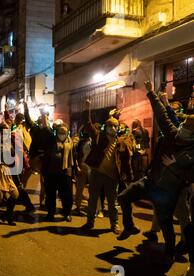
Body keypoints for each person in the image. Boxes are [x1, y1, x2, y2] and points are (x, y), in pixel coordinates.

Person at [117, 81, 194, 261]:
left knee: (166, 222)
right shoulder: (173, 133)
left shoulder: (191, 151)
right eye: (183, 126)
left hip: (169, 192)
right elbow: (163, 116)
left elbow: (190, 176)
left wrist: (175, 164)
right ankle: (129, 226)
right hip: (150, 181)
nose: (181, 129)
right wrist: (151, 93)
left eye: (186, 128)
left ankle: (169, 253)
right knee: (123, 197)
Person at [81, 100, 133, 235]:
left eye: (115, 127)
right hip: (96, 174)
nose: (113, 129)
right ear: (106, 127)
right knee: (92, 200)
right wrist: (87, 109)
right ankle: (90, 222)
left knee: (113, 202)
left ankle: (114, 224)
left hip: (112, 177)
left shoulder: (122, 143)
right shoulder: (99, 137)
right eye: (110, 126)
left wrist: (129, 177)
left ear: (118, 128)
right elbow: (88, 125)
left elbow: (126, 162)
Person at [0, 121, 19, 226]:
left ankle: (8, 216)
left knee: (15, 194)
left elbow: (12, 159)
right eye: (3, 131)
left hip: (6, 170)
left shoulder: (9, 142)